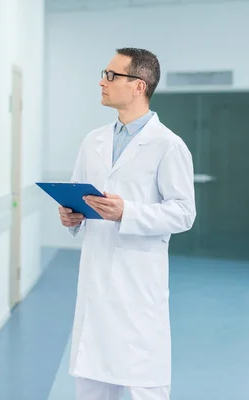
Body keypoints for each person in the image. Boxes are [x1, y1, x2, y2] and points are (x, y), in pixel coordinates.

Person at [59, 48, 196, 400]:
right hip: (96, 274)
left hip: (138, 284)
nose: (102, 82)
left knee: (144, 385)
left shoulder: (168, 145)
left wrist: (127, 213)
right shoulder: (94, 141)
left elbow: (183, 212)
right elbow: (77, 197)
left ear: (138, 86)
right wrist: (71, 216)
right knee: (91, 382)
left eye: (111, 75)